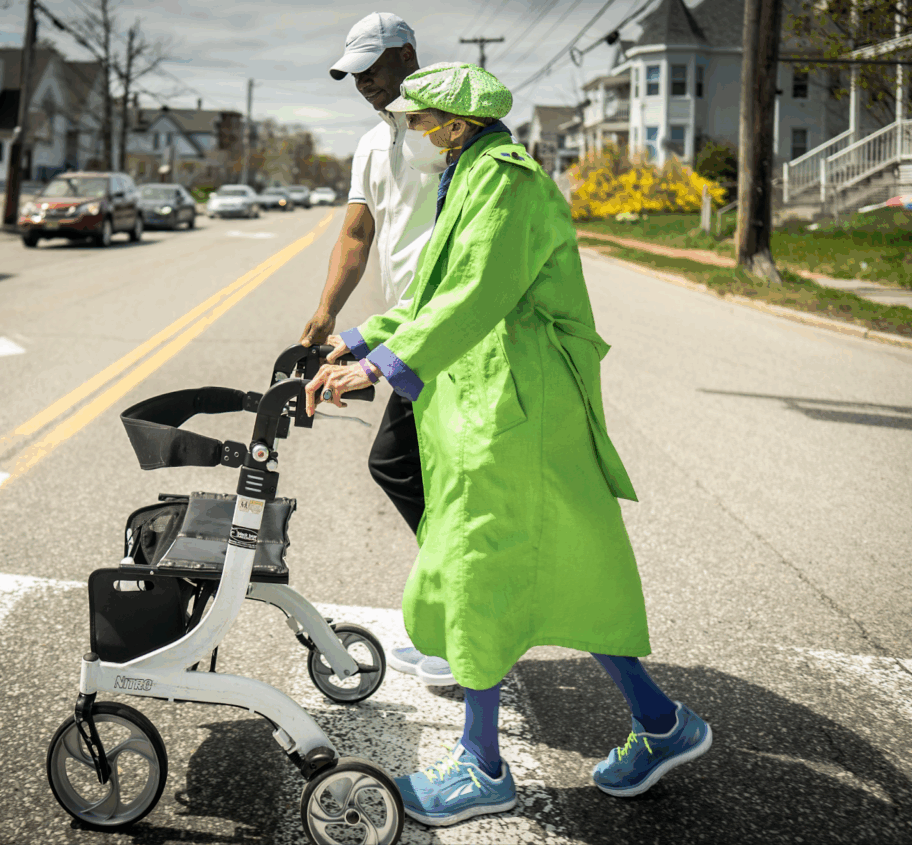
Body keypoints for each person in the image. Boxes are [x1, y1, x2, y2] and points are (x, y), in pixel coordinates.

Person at [304, 63, 712, 827]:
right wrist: (358, 338)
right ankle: (661, 722)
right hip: (494, 401)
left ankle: (482, 767)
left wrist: (377, 368)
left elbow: (477, 291)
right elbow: (433, 289)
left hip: (512, 408)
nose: (412, 134)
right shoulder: (470, 175)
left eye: (421, 121)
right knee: (561, 569)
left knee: (481, 569)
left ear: (457, 124)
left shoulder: (507, 181)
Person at [301, 12, 457, 686]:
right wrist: (325, 310)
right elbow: (356, 238)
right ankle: (457, 611)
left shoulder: (450, 131)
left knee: (403, 465)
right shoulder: (372, 145)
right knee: (415, 471)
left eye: (372, 67)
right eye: (353, 72)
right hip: (407, 329)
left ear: (408, 56)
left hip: (450, 326)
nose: (362, 81)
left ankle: (466, 615)